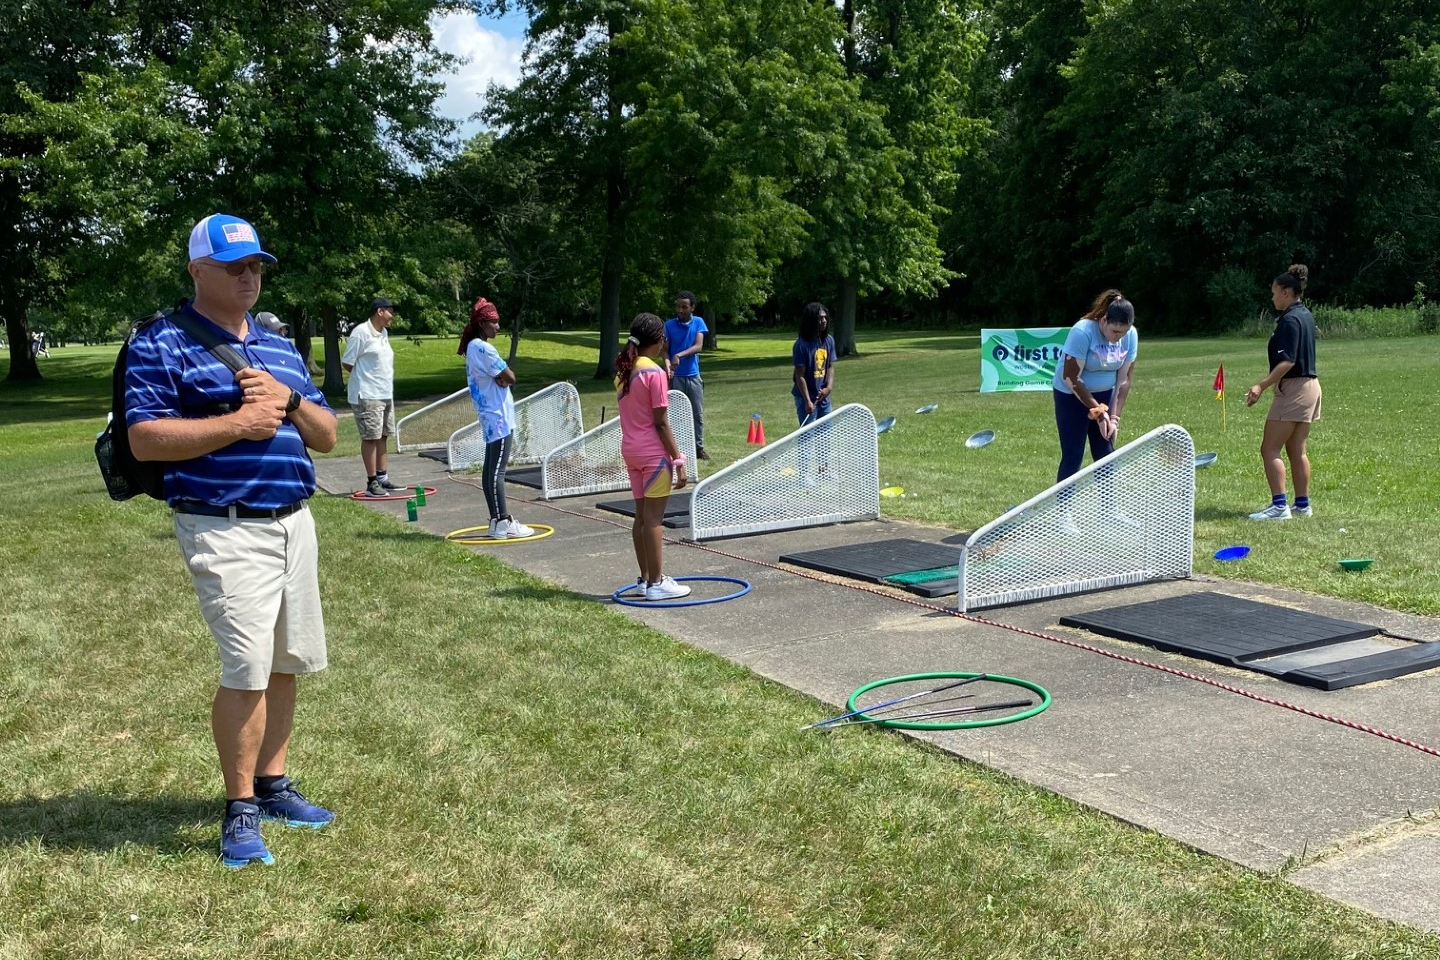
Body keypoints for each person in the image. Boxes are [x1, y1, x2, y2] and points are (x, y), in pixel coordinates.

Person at [124, 213, 338, 869]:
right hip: (224, 522)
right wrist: (241, 422)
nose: (250, 278)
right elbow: (144, 439)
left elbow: (327, 436)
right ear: (198, 271)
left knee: (285, 660)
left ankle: (273, 784)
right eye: (234, 267)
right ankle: (240, 809)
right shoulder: (161, 343)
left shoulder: (278, 345)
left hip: (293, 520)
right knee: (246, 668)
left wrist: (288, 400)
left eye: (256, 267)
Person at [618, 313, 690, 601]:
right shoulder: (654, 373)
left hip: (631, 452)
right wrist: (679, 460)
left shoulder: (624, 370)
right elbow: (661, 422)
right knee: (655, 520)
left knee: (641, 518)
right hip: (653, 455)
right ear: (659, 340)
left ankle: (646, 580)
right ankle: (657, 583)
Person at [1245, 264, 1320, 521]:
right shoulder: (1305, 315)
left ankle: (1279, 506)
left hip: (1294, 388)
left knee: (1269, 448)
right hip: (1311, 387)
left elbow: (1287, 361)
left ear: (1286, 292)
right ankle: (1302, 505)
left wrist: (1261, 385)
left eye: (1275, 292)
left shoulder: (1289, 320)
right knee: (1297, 449)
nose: (1272, 296)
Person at [459, 297, 534, 538]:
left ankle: (496, 520)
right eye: (494, 322)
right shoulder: (483, 347)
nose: (498, 327)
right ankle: (502, 521)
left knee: (491, 468)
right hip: (497, 417)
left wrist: (500, 378)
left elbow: (502, 377)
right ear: (482, 324)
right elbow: (510, 377)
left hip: (491, 415)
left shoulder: (473, 347)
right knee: (497, 471)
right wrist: (503, 378)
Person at [1052, 289, 1138, 483]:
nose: (1118, 337)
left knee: (1106, 454)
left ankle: (1109, 510)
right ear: (1104, 319)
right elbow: (1071, 377)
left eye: (1123, 333)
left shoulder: (1130, 335)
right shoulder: (1082, 332)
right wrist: (1098, 412)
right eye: (1115, 331)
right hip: (1071, 395)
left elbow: (1124, 380)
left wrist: (1113, 417)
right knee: (1073, 455)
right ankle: (1064, 512)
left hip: (1105, 395)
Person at [342, 297, 397, 497]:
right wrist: (363, 378)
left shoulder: (383, 333)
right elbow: (347, 362)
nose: (393, 316)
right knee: (371, 437)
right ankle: (371, 482)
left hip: (384, 393)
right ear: (380, 311)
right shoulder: (361, 333)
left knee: (383, 435)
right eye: (391, 311)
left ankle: (383, 478)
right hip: (367, 394)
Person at [664, 291, 709, 460]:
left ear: (692, 308)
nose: (680, 310)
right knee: (676, 415)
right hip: (676, 377)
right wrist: (668, 365)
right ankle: (679, 450)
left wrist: (679, 355)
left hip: (693, 376)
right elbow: (665, 351)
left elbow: (698, 346)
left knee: (697, 413)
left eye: (684, 307)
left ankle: (699, 449)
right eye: (678, 306)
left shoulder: (698, 322)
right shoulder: (668, 325)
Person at [792, 302, 836, 425]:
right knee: (808, 436)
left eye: (825, 317)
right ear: (811, 321)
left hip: (823, 397)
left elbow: (830, 367)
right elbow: (799, 376)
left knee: (826, 434)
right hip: (805, 397)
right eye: (819, 318)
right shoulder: (801, 345)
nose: (824, 321)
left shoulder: (829, 340)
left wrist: (829, 388)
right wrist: (807, 401)